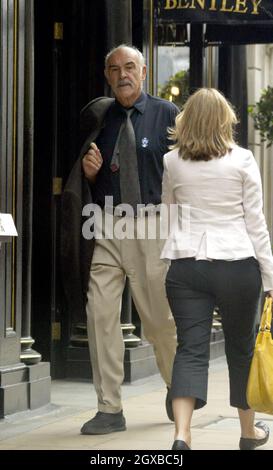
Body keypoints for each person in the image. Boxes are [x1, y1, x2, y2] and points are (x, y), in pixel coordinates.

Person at [62, 44, 179, 435]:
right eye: (114, 69)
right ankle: (109, 407)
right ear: (107, 76)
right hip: (107, 223)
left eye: (130, 67)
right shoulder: (101, 117)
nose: (122, 74)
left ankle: (175, 386)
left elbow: (184, 174)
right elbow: (89, 173)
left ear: (144, 72)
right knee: (99, 315)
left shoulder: (168, 114)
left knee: (159, 321)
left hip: (152, 223)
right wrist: (91, 175)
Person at [161, 88, 272, 450]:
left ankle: (182, 434)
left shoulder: (172, 161)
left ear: (187, 120)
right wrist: (270, 277)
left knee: (190, 349)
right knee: (241, 348)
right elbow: (256, 224)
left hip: (186, 266)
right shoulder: (242, 160)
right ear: (226, 120)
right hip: (237, 265)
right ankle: (247, 433)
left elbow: (169, 215)